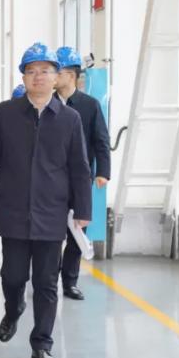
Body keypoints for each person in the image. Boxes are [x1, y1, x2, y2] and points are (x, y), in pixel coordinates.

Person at [0, 42, 92, 358]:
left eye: (45, 70)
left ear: (57, 77)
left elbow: (79, 167)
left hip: (51, 213)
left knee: (46, 282)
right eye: (31, 71)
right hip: (13, 209)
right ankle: (13, 309)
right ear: (23, 77)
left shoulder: (69, 119)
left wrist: (83, 210)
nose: (38, 76)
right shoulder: (5, 114)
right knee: (12, 277)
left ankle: (42, 343)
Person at [54, 47, 111, 301]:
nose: (52, 76)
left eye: (57, 72)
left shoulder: (89, 105)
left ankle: (70, 282)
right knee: (50, 233)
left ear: (71, 75)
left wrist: (103, 172)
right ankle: (48, 278)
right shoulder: (47, 104)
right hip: (50, 180)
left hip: (79, 179)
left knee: (77, 231)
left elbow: (101, 140)